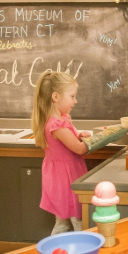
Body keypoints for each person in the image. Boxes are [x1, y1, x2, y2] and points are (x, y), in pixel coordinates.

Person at [32, 71, 92, 235]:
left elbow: (73, 137)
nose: (75, 101)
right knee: (79, 222)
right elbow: (79, 148)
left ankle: (55, 248)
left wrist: (80, 135)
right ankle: (81, 248)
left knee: (63, 222)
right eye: (72, 96)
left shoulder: (61, 119)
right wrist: (97, 140)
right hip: (66, 180)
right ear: (56, 97)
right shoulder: (57, 125)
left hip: (61, 177)